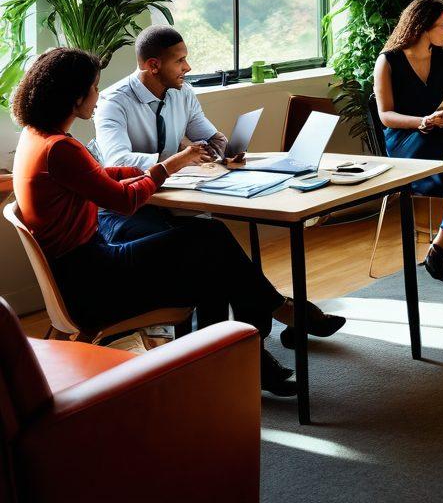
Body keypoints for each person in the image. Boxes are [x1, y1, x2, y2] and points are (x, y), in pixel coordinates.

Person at [11, 47, 311, 396]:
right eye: (94, 87)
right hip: (94, 284)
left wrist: (150, 168)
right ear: (74, 96)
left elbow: (96, 176)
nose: (98, 95)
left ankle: (234, 358)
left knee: (211, 261)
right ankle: (270, 311)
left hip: (81, 273)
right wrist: (168, 167)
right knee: (210, 237)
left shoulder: (37, 139)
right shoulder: (61, 149)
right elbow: (123, 201)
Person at [94, 24, 343, 342]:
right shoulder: (114, 102)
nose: (188, 67)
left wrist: (226, 151)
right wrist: (177, 161)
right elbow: (117, 162)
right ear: (153, 65)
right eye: (179, 60)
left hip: (171, 202)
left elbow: (210, 136)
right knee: (211, 253)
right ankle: (269, 320)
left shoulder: (182, 93)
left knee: (213, 245)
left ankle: (248, 339)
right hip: (128, 212)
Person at [373, 0, 443, 297]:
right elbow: (386, 115)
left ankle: (441, 242)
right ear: (423, 27)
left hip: (441, 133)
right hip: (407, 141)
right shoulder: (388, 60)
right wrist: (421, 121)